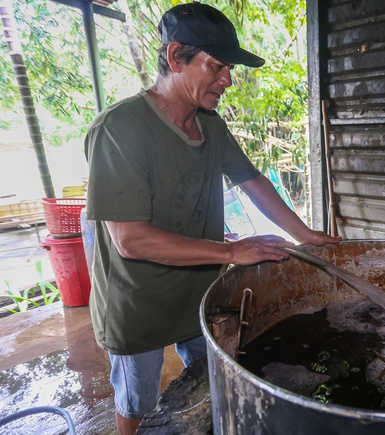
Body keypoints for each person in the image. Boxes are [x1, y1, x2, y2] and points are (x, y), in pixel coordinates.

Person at [84, 3, 340, 434]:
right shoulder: (120, 129)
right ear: (175, 56)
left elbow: (253, 181)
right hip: (137, 304)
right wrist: (231, 251)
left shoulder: (211, 127)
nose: (228, 79)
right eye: (217, 66)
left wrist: (304, 233)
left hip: (198, 293)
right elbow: (132, 240)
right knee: (137, 405)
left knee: (207, 384)